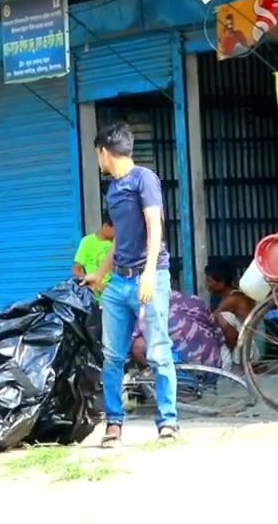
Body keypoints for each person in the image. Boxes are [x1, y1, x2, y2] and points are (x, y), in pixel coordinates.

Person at [84, 122, 177, 447]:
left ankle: (168, 422)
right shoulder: (113, 189)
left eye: (97, 155)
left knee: (158, 351)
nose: (98, 160)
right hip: (119, 282)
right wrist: (100, 273)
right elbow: (120, 238)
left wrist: (149, 274)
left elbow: (154, 226)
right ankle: (114, 424)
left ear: (103, 152)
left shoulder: (144, 179)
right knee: (112, 355)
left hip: (149, 277)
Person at [205, 262, 255, 351]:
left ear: (221, 283)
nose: (206, 284)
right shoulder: (233, 295)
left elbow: (211, 319)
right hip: (249, 339)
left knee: (221, 317)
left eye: (209, 281)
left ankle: (232, 354)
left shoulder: (233, 299)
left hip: (253, 343)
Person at [72, 213, 115, 299]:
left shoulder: (116, 243)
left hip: (115, 294)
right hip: (94, 296)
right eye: (116, 230)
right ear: (106, 226)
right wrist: (91, 282)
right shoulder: (87, 242)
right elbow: (76, 270)